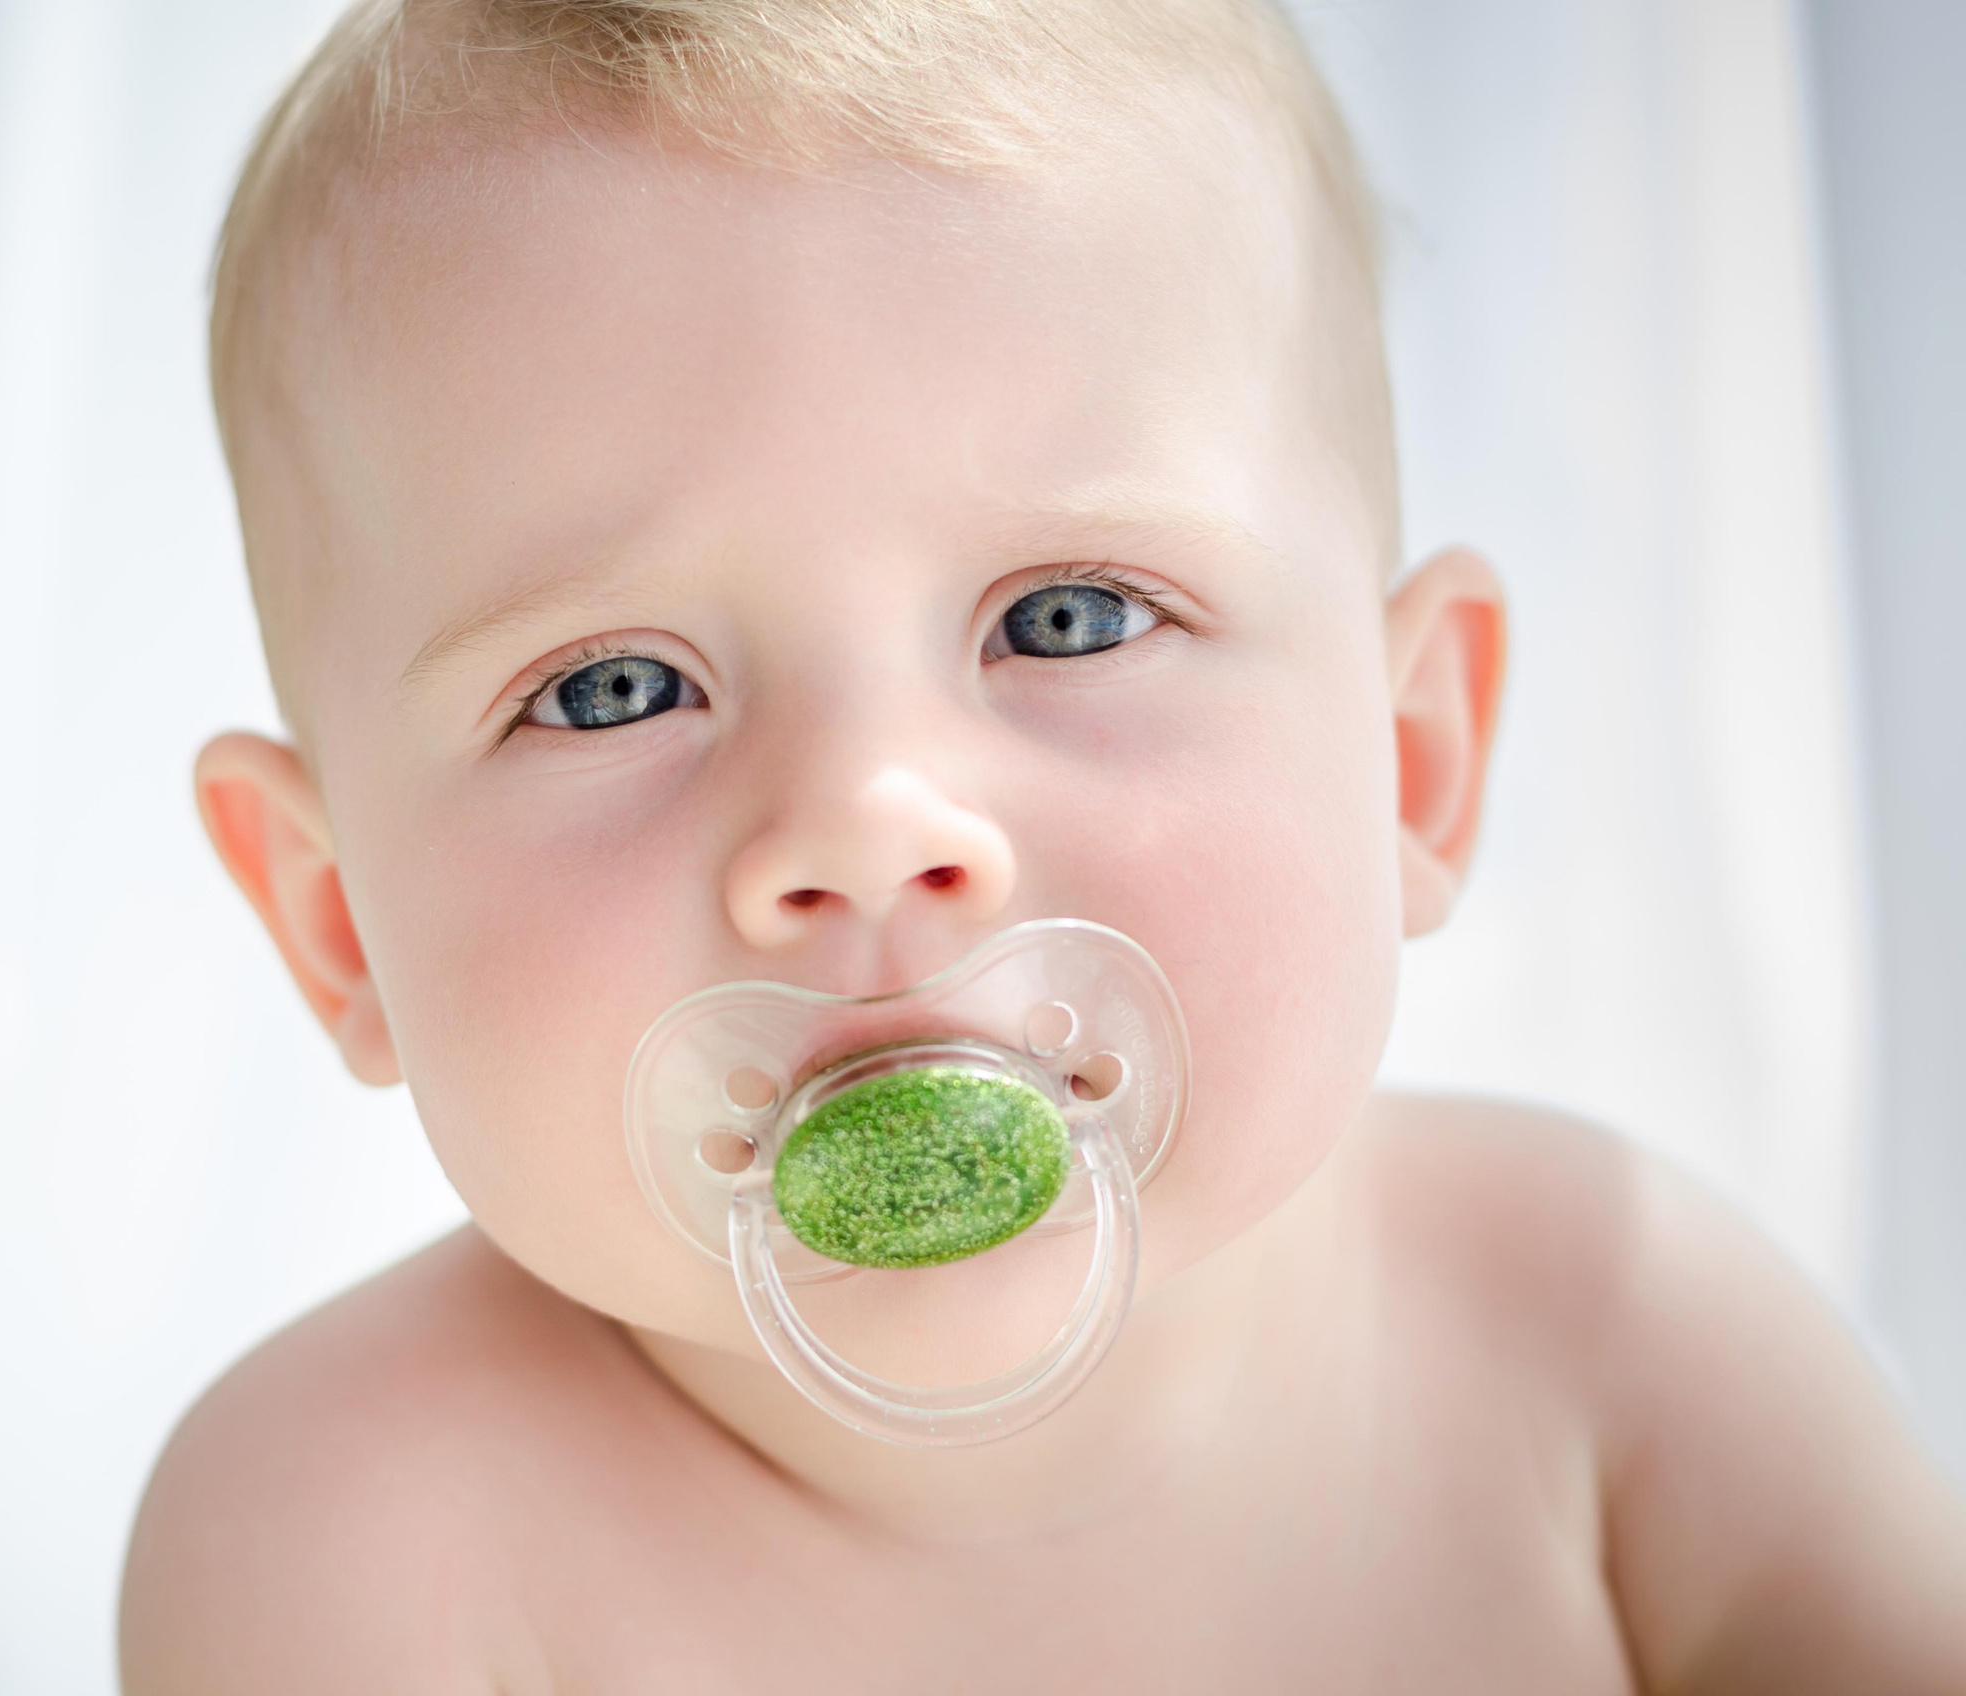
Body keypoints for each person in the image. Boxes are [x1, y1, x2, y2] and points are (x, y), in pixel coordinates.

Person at [119, 1, 1966, 1686]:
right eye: (610, 690)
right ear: (337, 919)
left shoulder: (1623, 1338)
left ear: (1406, 761)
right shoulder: (353, 1546)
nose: (862, 826)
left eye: (1070, 618)